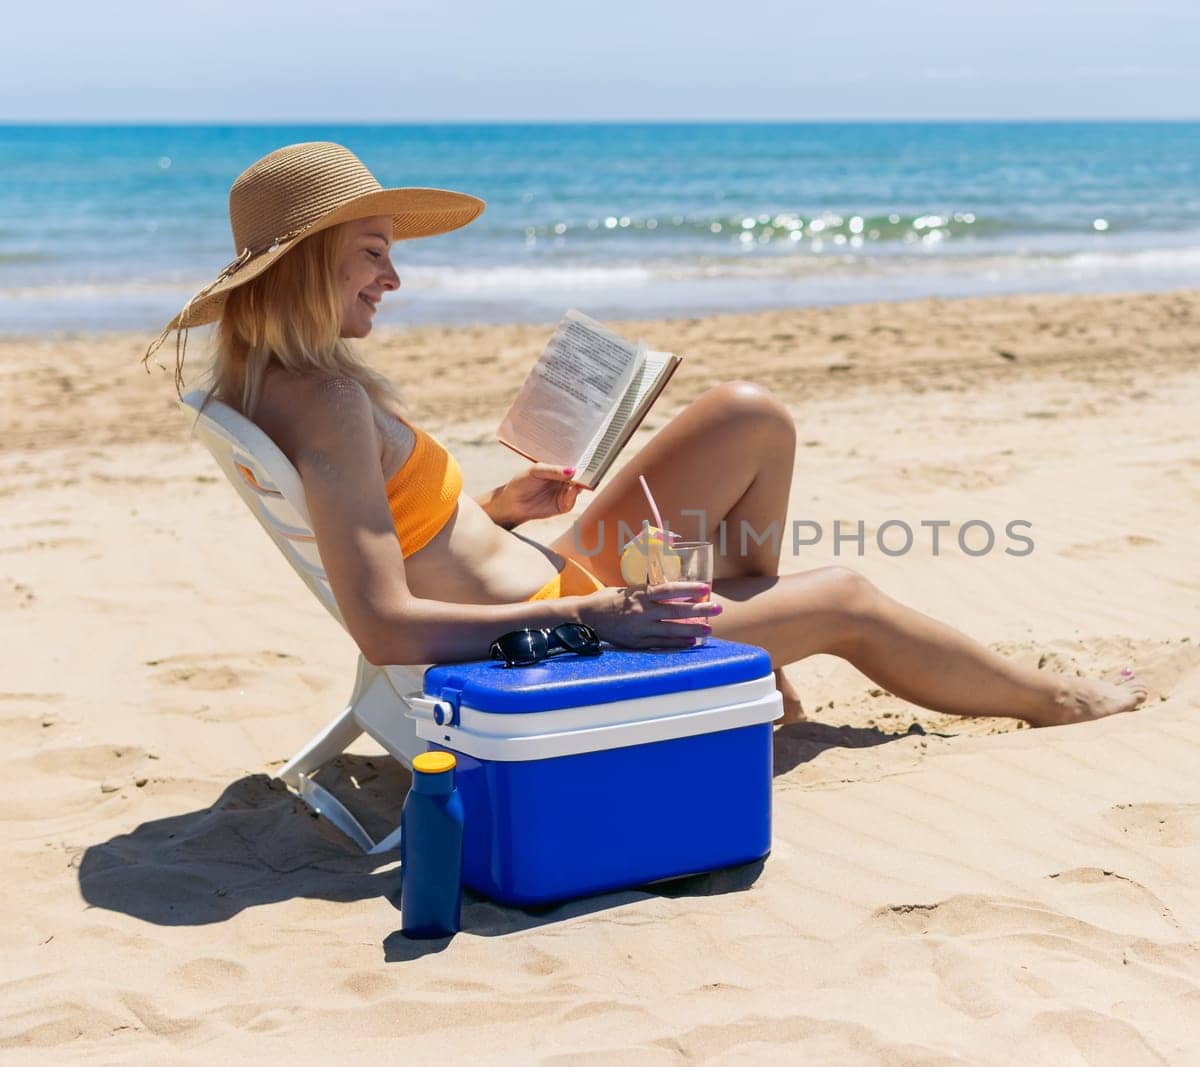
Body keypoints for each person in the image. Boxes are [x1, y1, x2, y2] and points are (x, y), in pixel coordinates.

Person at [147, 142, 1147, 727]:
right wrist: (612, 617)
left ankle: (751, 642)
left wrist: (499, 506)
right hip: (557, 635)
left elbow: (392, 526)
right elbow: (386, 626)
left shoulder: (282, 381)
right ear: (302, 265)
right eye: (372, 254)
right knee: (849, 597)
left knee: (749, 414)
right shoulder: (320, 398)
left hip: (547, 572)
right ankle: (1053, 700)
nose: (393, 279)